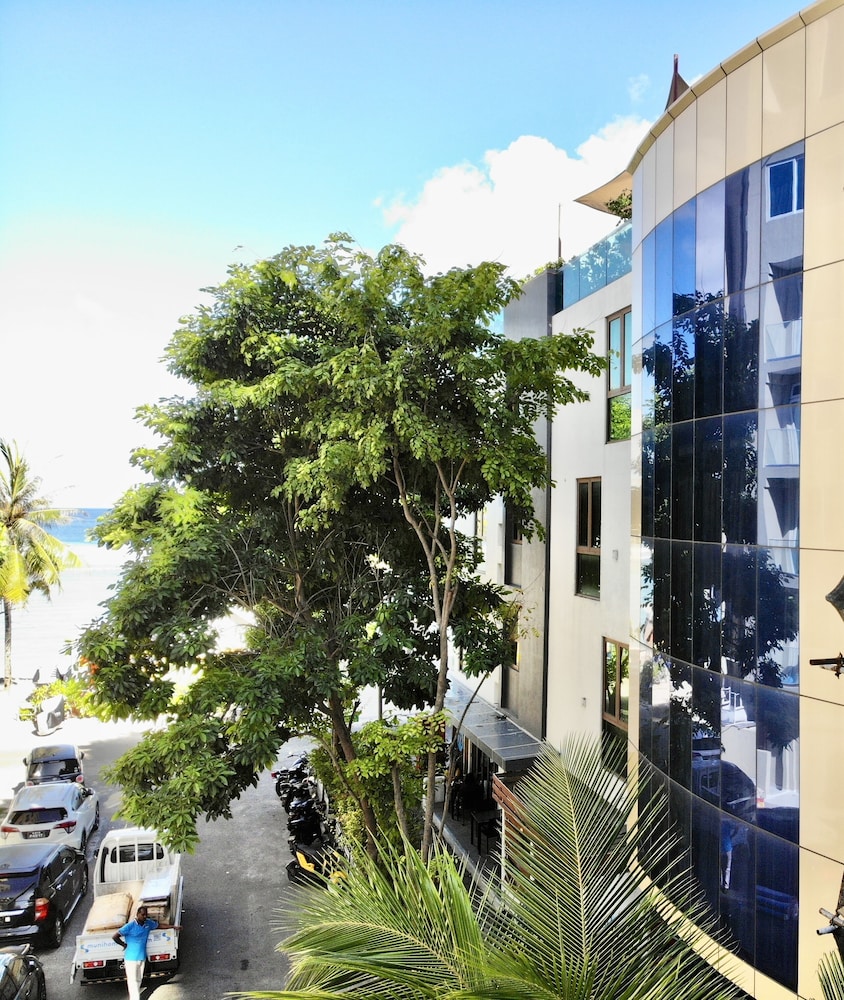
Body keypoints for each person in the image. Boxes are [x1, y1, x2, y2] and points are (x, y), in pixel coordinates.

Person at [112, 905, 180, 1000]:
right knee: (132, 981)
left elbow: (159, 926)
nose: (144, 917)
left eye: (146, 915)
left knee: (139, 979)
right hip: (131, 959)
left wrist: (173, 927)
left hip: (142, 957)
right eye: (142, 914)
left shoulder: (148, 923)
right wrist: (124, 945)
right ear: (137, 914)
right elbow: (115, 936)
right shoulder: (130, 926)